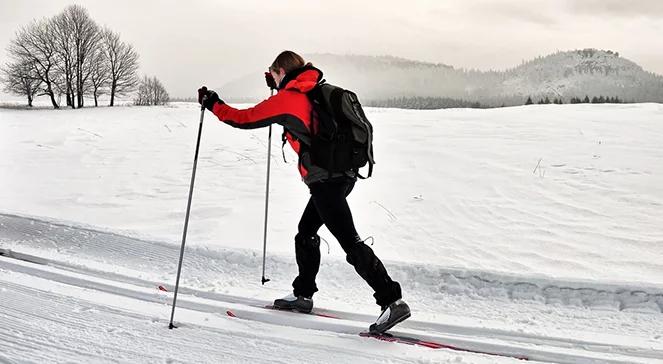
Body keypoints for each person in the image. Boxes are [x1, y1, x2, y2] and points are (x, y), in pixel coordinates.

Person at [197, 50, 410, 333]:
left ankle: (392, 301)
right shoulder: (312, 89)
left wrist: (213, 104)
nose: (271, 79)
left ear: (281, 72)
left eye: (273, 74)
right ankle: (303, 294)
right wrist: (278, 89)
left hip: (326, 180)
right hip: (342, 176)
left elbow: (244, 118)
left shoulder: (289, 99)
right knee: (306, 230)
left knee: (349, 239)